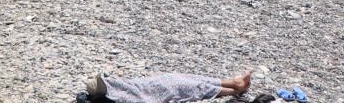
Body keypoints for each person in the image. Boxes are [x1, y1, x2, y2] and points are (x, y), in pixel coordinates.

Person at [84, 70, 253, 102]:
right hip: (156, 90)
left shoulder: (116, 88)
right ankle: (234, 88)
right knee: (189, 87)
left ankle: (233, 83)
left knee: (184, 79)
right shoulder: (116, 96)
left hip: (153, 84)